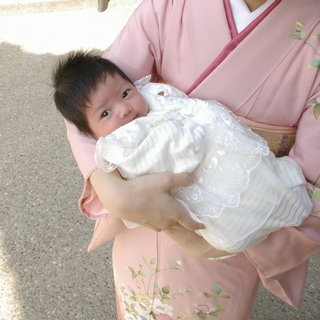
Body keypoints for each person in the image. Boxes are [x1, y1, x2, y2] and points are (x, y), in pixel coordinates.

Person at [62, 1, 320, 319]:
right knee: (137, 305)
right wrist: (111, 189)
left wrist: (219, 245)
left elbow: (310, 180)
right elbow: (90, 96)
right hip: (142, 209)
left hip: (237, 221)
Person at [53, 50, 312, 256]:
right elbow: (179, 153)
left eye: (125, 93)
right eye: (105, 113)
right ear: (92, 133)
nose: (124, 109)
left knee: (264, 179)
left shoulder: (149, 96)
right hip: (189, 194)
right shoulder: (121, 145)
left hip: (239, 152)